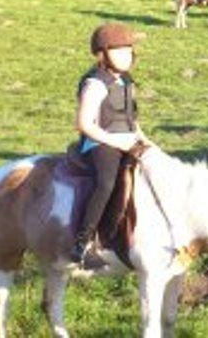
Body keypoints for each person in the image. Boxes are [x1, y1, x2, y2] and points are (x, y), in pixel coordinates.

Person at [71, 23, 151, 264]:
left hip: (127, 139)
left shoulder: (126, 81)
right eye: (120, 50)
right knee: (107, 182)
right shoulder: (95, 84)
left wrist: (146, 141)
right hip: (100, 143)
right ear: (102, 53)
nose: (128, 55)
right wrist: (117, 141)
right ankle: (84, 242)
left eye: (130, 49)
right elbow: (84, 124)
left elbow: (130, 119)